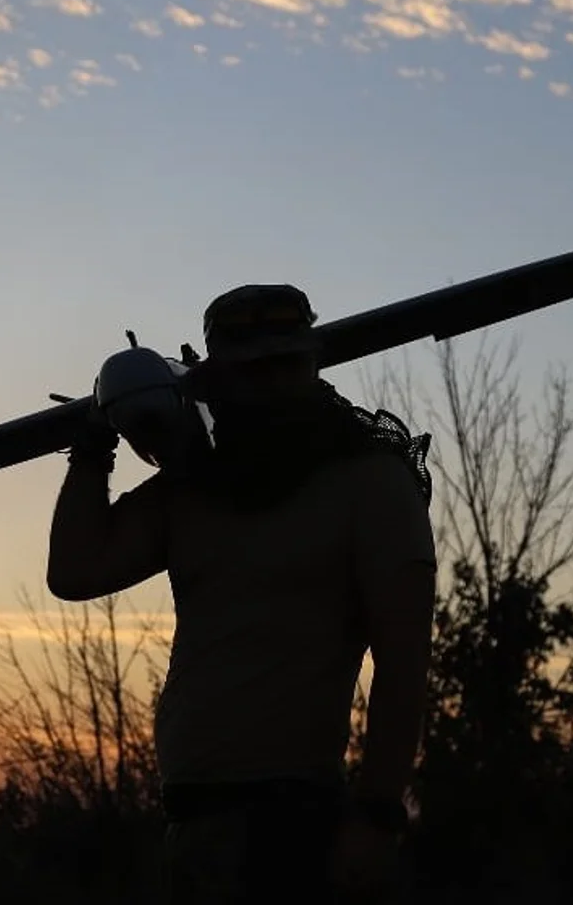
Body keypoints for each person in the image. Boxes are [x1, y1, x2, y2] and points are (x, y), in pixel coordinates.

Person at [47, 283, 438, 903]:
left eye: (286, 363)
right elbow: (75, 572)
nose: (272, 382)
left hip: (302, 821)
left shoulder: (371, 481)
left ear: (313, 362)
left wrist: (377, 814)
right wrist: (94, 444)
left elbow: (405, 659)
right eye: (254, 369)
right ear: (221, 379)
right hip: (194, 819)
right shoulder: (196, 487)